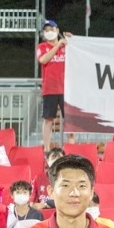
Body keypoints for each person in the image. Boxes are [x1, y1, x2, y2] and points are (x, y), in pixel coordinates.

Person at [37, 20, 72, 152]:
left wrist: (72, 40)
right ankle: (46, 149)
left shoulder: (66, 46)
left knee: (69, 120)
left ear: (57, 30)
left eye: (51, 29)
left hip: (67, 89)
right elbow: (43, 60)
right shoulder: (41, 47)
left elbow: (78, 53)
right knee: (48, 119)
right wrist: (57, 45)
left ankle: (71, 146)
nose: (49, 32)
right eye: (46, 30)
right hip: (50, 89)